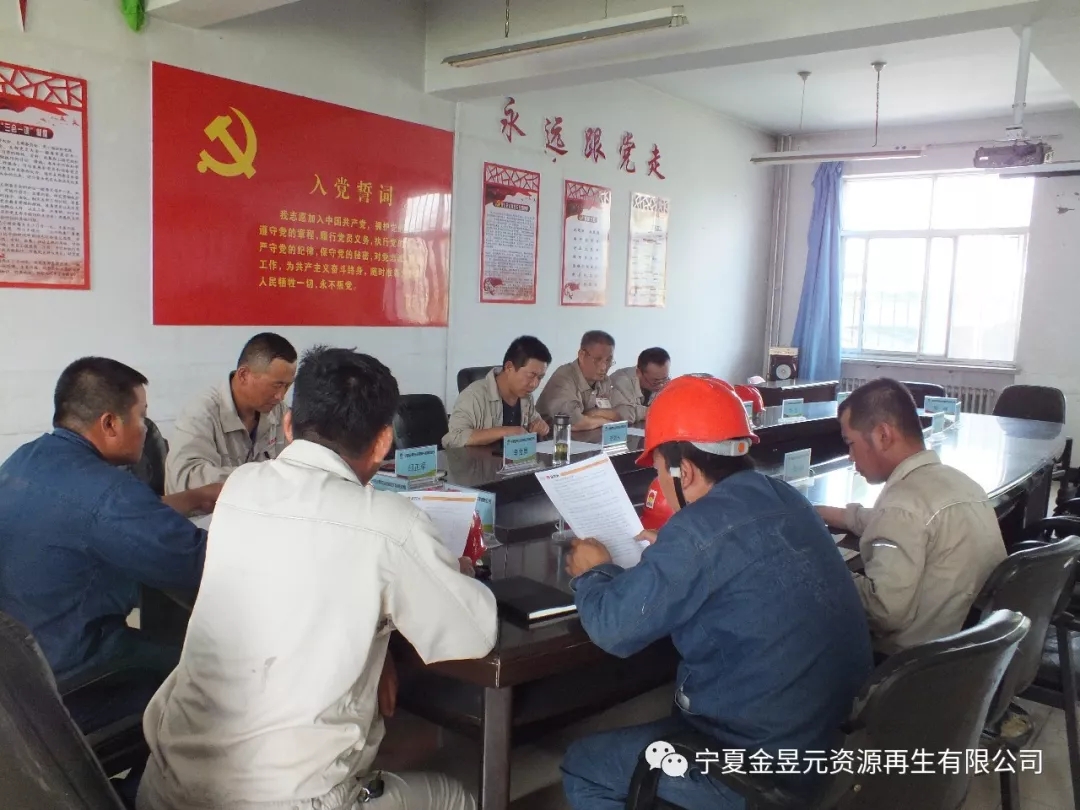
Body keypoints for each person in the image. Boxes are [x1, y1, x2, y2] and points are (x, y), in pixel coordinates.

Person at [139, 347, 499, 810]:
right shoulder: (391, 523)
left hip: (165, 786)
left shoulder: (242, 487)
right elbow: (473, 633)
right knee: (456, 796)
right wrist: (457, 571)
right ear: (383, 442)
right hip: (289, 801)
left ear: (289, 425)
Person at [560, 376, 872, 810]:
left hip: (760, 769)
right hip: (832, 744)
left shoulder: (698, 533)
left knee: (583, 765)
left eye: (658, 470)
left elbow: (613, 627)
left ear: (683, 472)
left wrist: (593, 572)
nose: (659, 480)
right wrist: (678, 548)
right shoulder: (786, 497)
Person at [0, 358, 218, 737]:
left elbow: (95, 515)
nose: (146, 429)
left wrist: (194, 498)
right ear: (110, 424)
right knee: (213, 674)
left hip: (20, 668)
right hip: (76, 674)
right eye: (141, 416)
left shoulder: (23, 460)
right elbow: (198, 563)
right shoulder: (109, 492)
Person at [816, 378, 1007, 655]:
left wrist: (827, 568)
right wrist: (820, 513)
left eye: (851, 443)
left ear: (883, 435)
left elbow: (883, 612)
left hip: (910, 665)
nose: (850, 456)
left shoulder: (902, 505)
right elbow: (893, 521)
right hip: (973, 655)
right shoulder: (962, 483)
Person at [165, 332, 297, 493]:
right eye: (276, 385)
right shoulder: (201, 413)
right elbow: (185, 480)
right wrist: (261, 478)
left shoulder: (279, 412)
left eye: (287, 386)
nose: (280, 396)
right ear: (244, 375)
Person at [443, 336, 552, 448]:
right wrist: (505, 431)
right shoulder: (473, 396)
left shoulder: (526, 396)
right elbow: (454, 438)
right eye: (531, 375)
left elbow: (535, 422)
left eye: (540, 377)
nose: (534, 384)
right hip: (480, 459)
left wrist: (540, 426)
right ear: (509, 367)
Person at [536, 330, 620, 431]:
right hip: (554, 438)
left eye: (608, 360)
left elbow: (615, 415)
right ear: (581, 355)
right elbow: (573, 423)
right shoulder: (564, 377)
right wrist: (604, 421)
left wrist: (592, 414)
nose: (604, 367)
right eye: (597, 359)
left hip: (589, 437)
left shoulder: (604, 380)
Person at [609, 347, 670, 423]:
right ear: (639, 373)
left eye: (665, 378)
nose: (661, 385)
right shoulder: (620, 381)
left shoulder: (664, 381)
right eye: (655, 381)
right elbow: (623, 414)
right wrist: (654, 411)